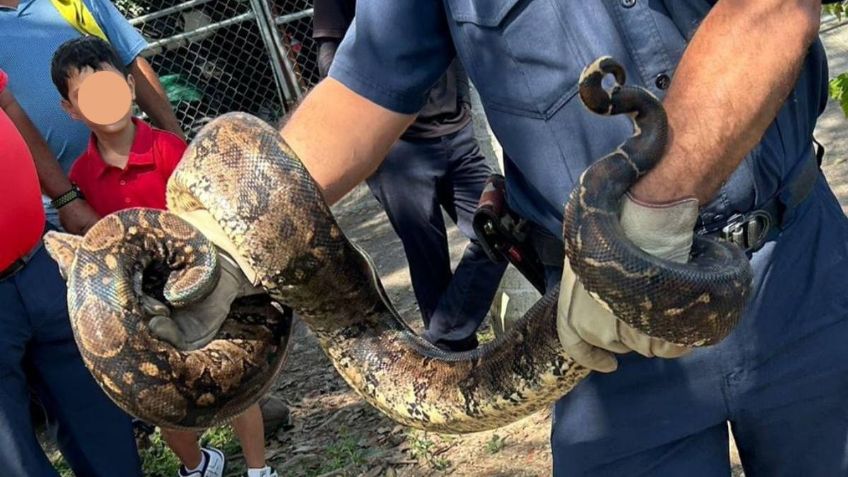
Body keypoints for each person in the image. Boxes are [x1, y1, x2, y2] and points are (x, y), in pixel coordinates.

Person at [153, 1, 848, 475]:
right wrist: (229, 222)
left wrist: (645, 216)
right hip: (598, 334)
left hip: (799, 272)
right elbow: (362, 90)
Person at [51, 36, 279, 477]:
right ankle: (198, 465)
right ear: (71, 110)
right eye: (87, 97)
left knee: (234, 386)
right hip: (142, 302)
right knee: (159, 399)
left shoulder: (172, 150)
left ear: (132, 88)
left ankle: (258, 469)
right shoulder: (80, 176)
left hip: (202, 282)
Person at [312, 0, 507, 351]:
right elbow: (330, 61)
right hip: (397, 150)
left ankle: (443, 338)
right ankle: (455, 362)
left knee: (502, 226)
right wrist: (375, 122)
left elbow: (454, 37)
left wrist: (460, 103)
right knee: (427, 259)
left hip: (456, 134)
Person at [0, 66, 143, 477]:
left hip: (40, 258)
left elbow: (7, 106)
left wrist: (63, 196)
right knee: (14, 462)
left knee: (106, 433)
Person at [0, 0, 183, 233]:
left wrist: (182, 148)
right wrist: (65, 199)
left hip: (146, 162)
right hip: (70, 199)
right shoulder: (79, 174)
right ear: (69, 107)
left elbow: (131, 60)